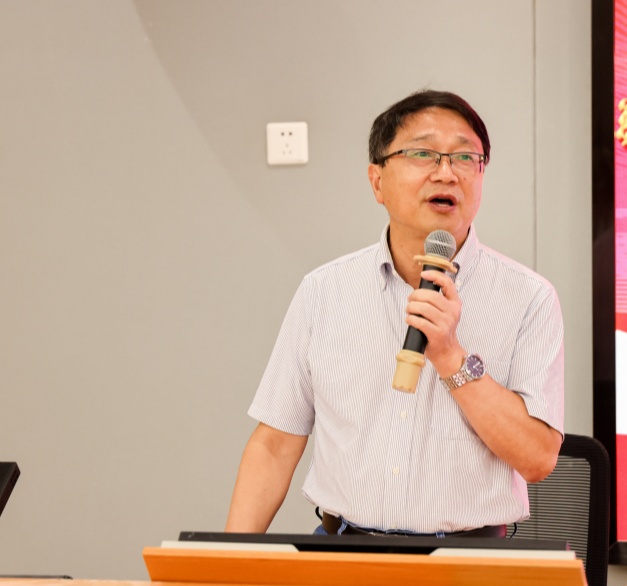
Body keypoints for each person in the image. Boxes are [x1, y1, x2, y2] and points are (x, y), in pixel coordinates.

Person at [225, 90, 564, 537]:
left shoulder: (529, 298)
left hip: (471, 560)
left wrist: (451, 358)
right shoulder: (324, 291)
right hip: (342, 553)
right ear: (377, 181)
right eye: (423, 153)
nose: (446, 172)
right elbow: (274, 445)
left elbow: (537, 459)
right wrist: (225, 564)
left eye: (465, 157)